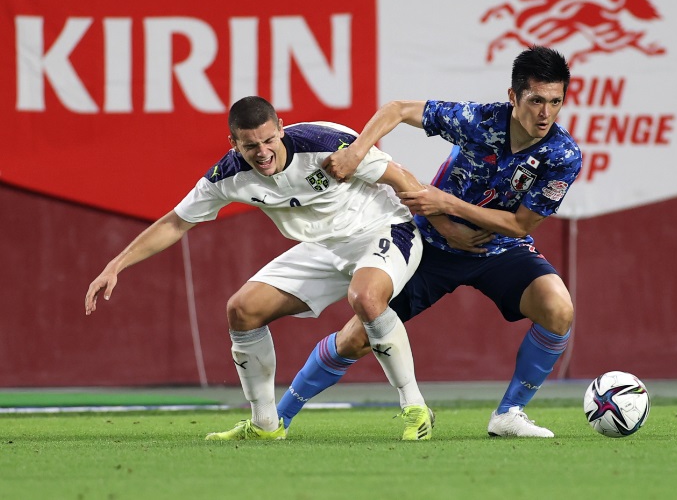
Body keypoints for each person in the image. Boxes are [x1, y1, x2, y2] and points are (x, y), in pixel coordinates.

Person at [83, 96, 476, 441]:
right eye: (250, 145)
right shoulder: (228, 175)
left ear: (281, 128)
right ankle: (265, 424)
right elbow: (175, 222)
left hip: (382, 229)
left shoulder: (323, 144)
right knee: (242, 310)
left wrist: (443, 226)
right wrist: (116, 264)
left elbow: (400, 178)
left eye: (269, 140)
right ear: (234, 143)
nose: (263, 152)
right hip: (322, 247)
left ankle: (415, 407)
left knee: (366, 297)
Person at [276, 45, 582, 438]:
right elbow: (397, 110)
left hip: (498, 250)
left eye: (555, 102)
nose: (545, 113)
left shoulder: (562, 155)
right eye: (536, 100)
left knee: (558, 308)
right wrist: (355, 152)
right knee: (355, 338)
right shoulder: (479, 121)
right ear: (513, 96)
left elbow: (521, 225)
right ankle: (277, 418)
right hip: (430, 245)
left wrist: (448, 204)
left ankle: (509, 414)